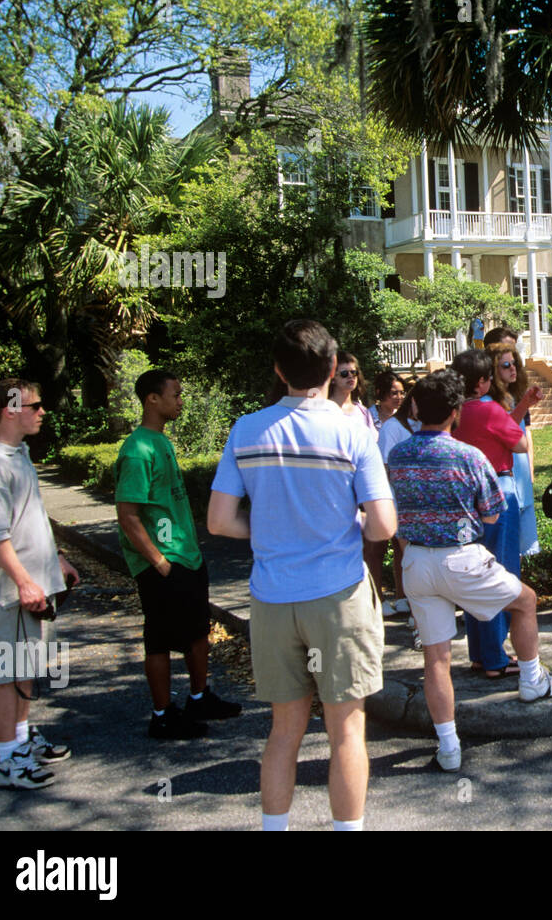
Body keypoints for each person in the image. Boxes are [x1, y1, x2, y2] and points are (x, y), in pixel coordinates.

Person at [207, 320, 397, 831]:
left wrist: (271, 528)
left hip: (271, 599)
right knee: (347, 731)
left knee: (283, 732)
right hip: (338, 596)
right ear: (333, 368)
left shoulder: (246, 430)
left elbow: (220, 520)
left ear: (277, 369)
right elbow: (382, 523)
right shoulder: (352, 432)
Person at [387, 370, 552, 772]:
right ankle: (531, 680)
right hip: (460, 556)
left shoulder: (398, 455)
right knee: (525, 602)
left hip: (415, 561)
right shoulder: (469, 456)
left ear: (415, 407)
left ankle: (449, 746)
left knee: (436, 659)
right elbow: (491, 514)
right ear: (455, 411)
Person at [114, 369, 240, 739]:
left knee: (197, 630)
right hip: (164, 563)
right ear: (152, 399)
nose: (180, 401)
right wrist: (159, 562)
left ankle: (199, 698)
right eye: (175, 394)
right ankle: (162, 714)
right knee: (160, 638)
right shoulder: (137, 449)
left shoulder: (161, 441)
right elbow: (128, 515)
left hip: (187, 556)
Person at [0, 379, 78, 789]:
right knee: (5, 673)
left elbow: (29, 515)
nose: (42, 412)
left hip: (34, 584)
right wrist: (24, 582)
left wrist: (57, 559)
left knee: (25, 667)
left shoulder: (19, 454)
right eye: (34, 406)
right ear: (11, 409)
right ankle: (5, 761)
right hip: (11, 593)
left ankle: (19, 739)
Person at [448, 349, 542, 678]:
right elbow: (519, 444)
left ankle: (480, 653)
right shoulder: (490, 409)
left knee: (475, 575)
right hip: (499, 493)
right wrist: (516, 415)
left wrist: (520, 408)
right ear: (483, 381)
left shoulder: (455, 413)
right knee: (500, 573)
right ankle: (495, 658)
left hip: (465, 500)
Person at [487, 341, 540, 557]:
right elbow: (504, 431)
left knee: (523, 542)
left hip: (519, 472)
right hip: (502, 474)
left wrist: (531, 467)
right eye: (506, 365)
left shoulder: (513, 397)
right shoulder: (489, 402)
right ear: (492, 370)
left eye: (514, 363)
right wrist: (525, 405)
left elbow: (523, 432)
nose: (513, 368)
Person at [367, 371, 407, 600]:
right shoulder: (367, 417)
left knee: (401, 545)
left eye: (402, 393)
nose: (399, 397)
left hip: (398, 489)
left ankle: (402, 597)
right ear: (380, 393)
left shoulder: (405, 420)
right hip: (374, 487)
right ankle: (375, 598)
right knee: (375, 547)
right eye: (393, 393)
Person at [329, 351, 377, 438]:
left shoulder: (363, 412)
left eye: (354, 372)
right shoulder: (324, 410)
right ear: (332, 378)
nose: (350, 376)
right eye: (344, 373)